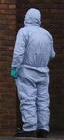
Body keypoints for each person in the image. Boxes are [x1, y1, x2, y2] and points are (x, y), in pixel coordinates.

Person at [12, 8, 55, 138]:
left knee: (28, 99)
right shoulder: (47, 34)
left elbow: (18, 52)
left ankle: (29, 128)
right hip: (43, 71)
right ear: (39, 19)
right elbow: (52, 54)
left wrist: (14, 67)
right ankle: (43, 128)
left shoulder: (24, 32)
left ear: (26, 18)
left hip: (26, 71)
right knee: (43, 100)